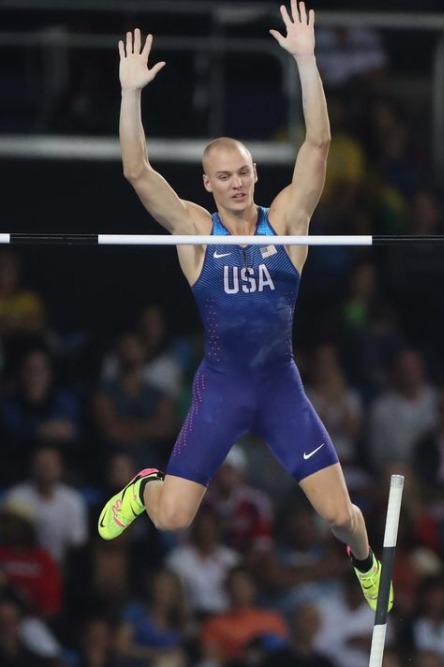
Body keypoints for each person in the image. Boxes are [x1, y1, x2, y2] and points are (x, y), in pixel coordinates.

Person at [98, 0, 391, 613]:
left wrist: (307, 61)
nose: (236, 182)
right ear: (206, 184)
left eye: (244, 172)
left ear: (255, 175)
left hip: (279, 386)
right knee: (174, 519)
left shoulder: (286, 222)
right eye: (223, 175)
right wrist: (130, 95)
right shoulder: (195, 234)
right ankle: (145, 487)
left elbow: (319, 142)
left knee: (341, 516)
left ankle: (365, 561)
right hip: (223, 388)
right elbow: (135, 169)